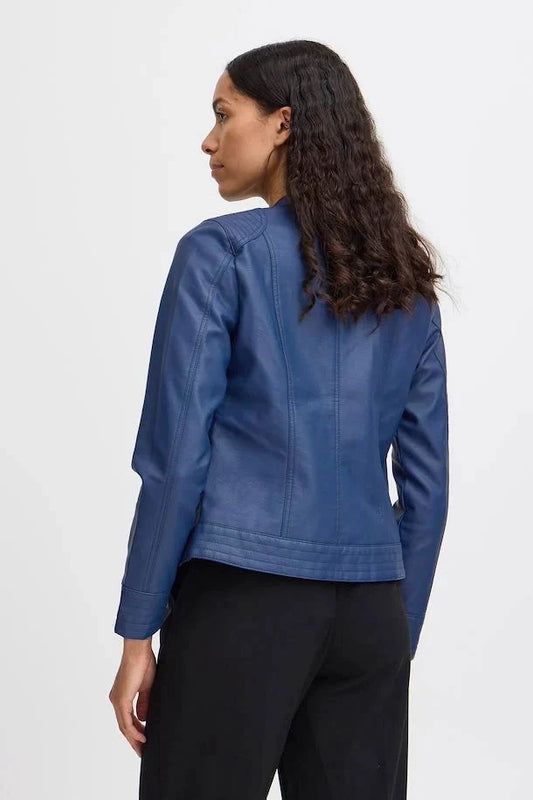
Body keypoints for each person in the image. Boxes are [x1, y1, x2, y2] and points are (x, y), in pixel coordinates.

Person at [109, 39, 450, 800]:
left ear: (283, 124)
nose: (208, 140)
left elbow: (175, 462)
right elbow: (427, 493)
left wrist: (137, 632)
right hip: (370, 613)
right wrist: (393, 635)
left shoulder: (220, 255)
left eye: (222, 115)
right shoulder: (405, 284)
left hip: (243, 601)